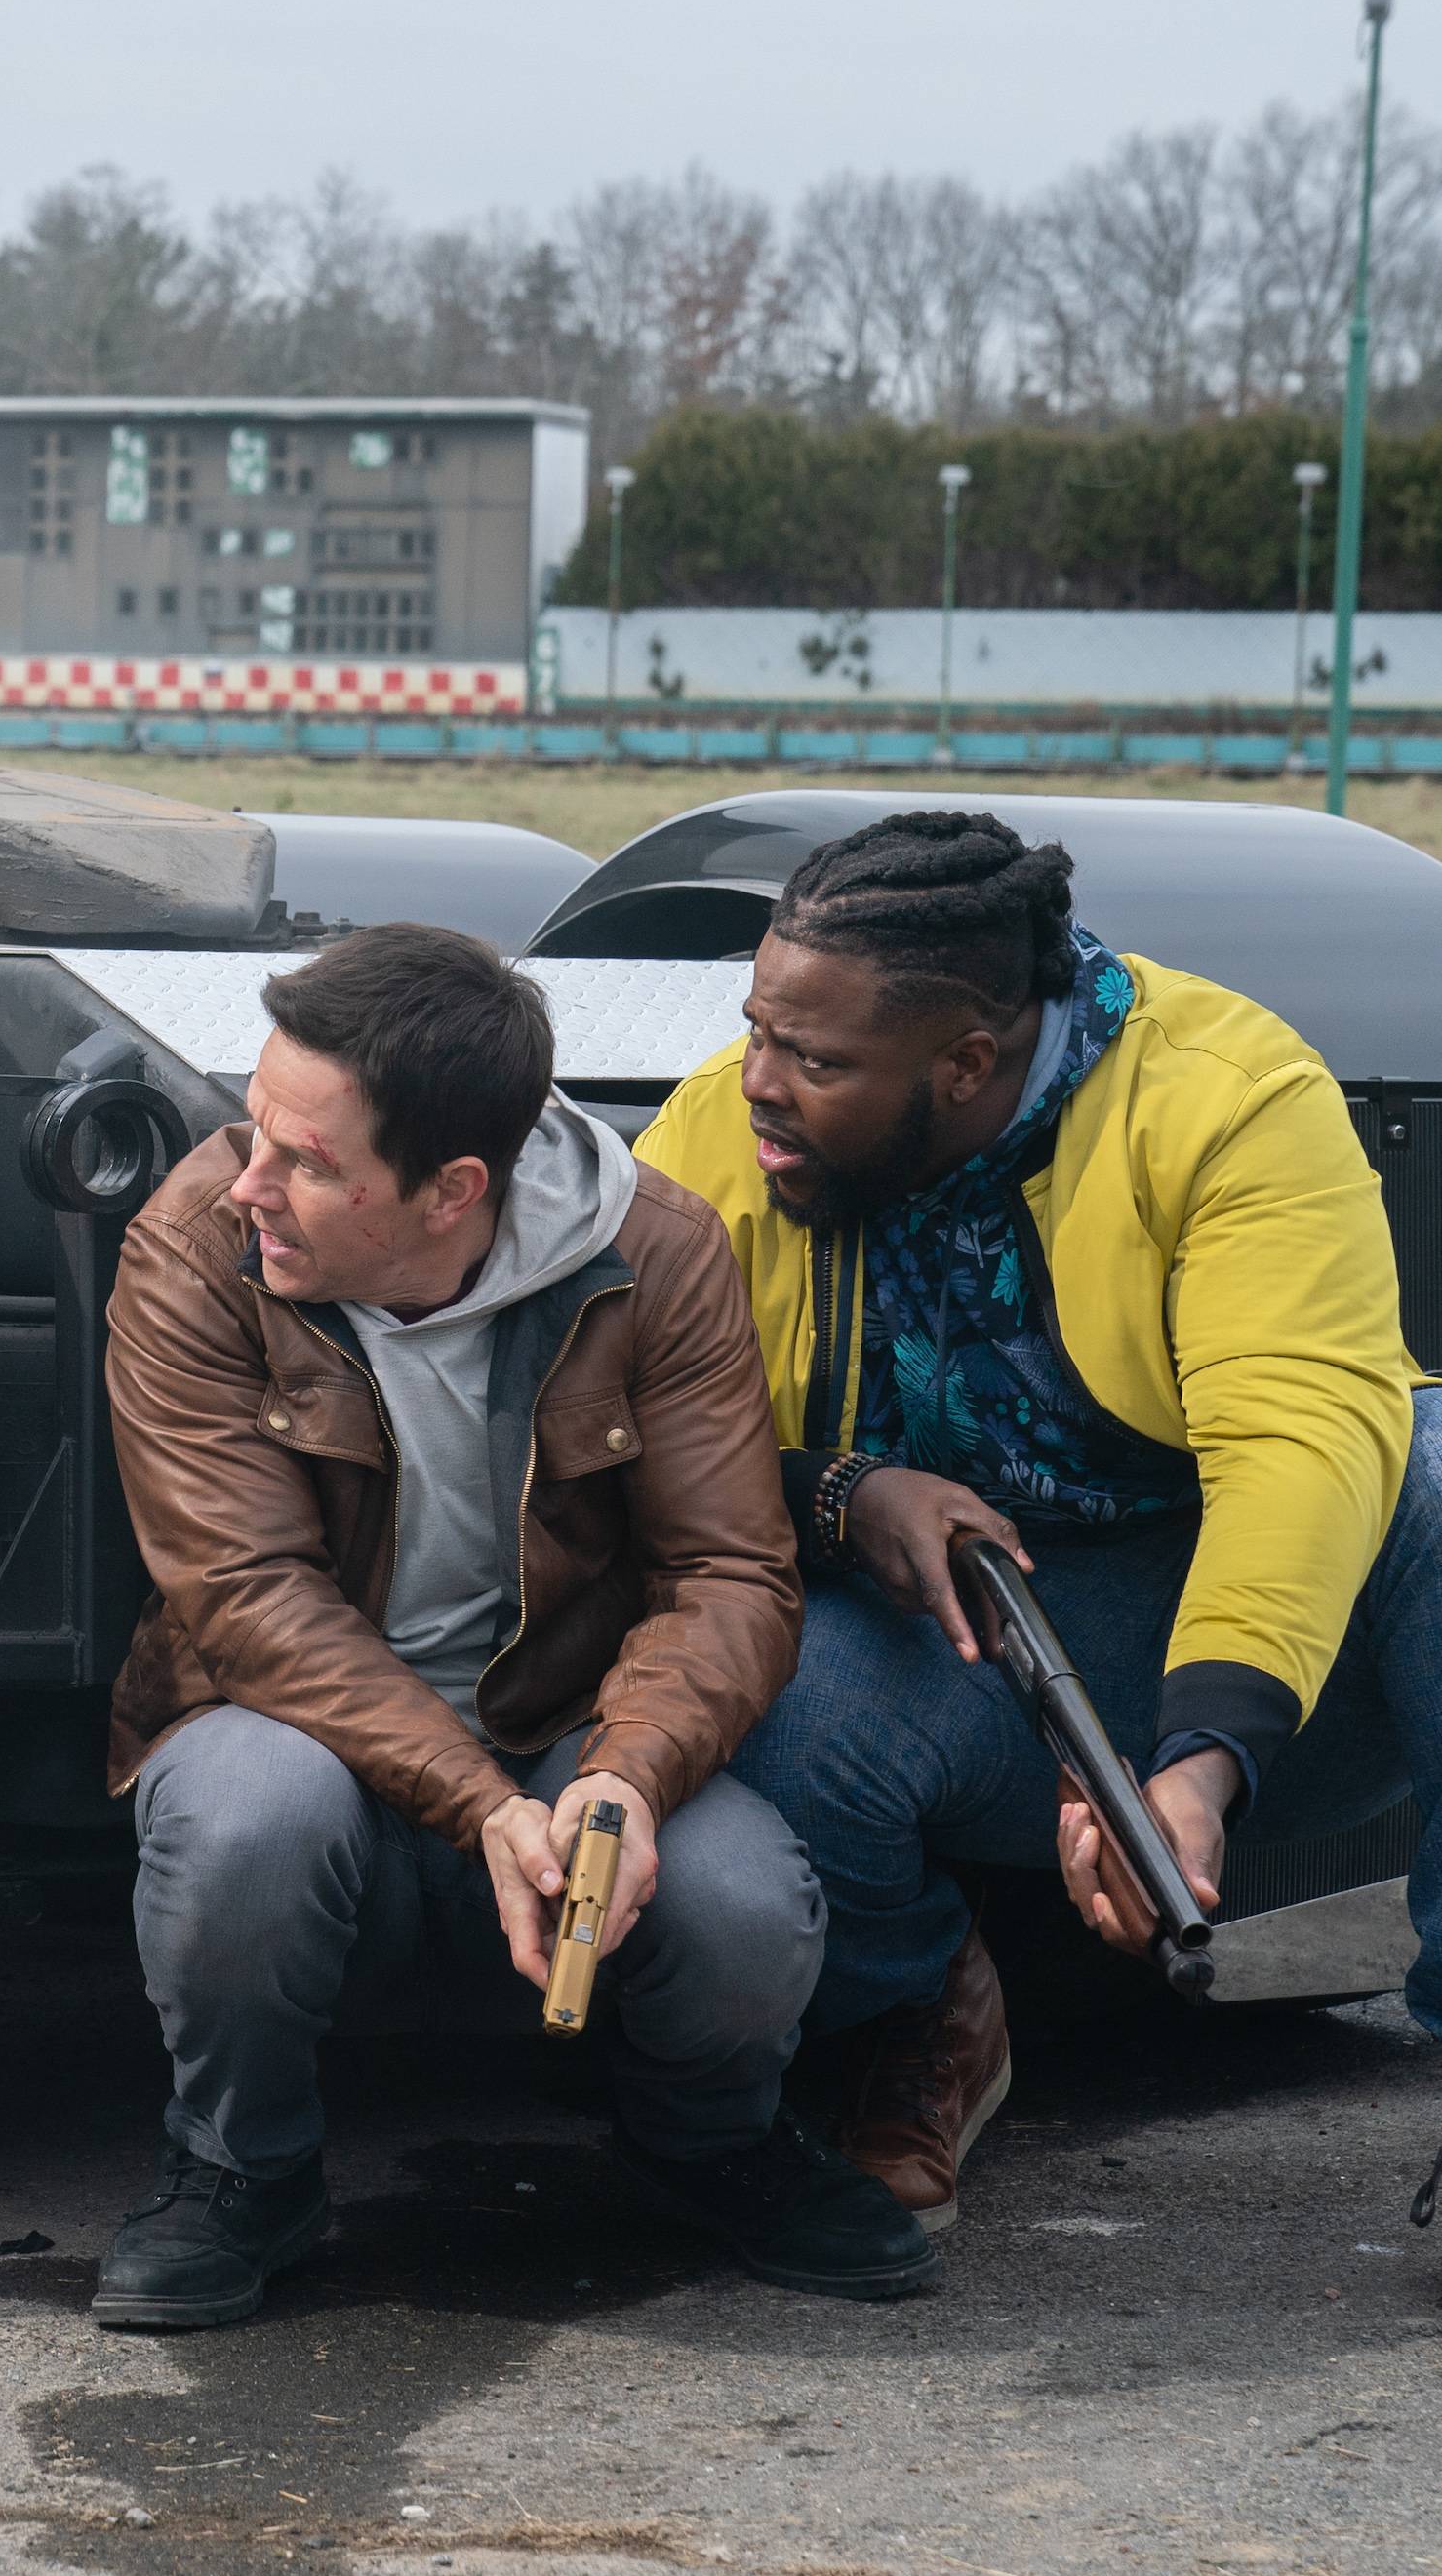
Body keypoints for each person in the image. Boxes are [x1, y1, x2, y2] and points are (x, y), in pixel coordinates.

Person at [634, 812, 1442, 2339]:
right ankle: (927, 2012)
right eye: (757, 1034)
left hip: (1270, 1672)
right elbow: (633, 1450)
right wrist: (844, 1495)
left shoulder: (1229, 1096)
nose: (759, 1085)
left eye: (818, 1061)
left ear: (970, 1062)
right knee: (768, 1693)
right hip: (990, 1654)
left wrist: (1201, 1760)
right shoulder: (726, 1136)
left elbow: (1302, 1443)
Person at [92, 921, 938, 2330]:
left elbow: (732, 1570)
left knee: (741, 1899)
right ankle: (242, 2165)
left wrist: (626, 1775)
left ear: (453, 1191)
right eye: (254, 1129)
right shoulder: (197, 1245)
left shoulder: (657, 1252)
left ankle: (711, 2140)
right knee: (238, 1824)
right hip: (290, 1725)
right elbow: (243, 1599)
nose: (252, 1183)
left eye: (306, 1161)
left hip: (562, 1728)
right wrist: (480, 1804)